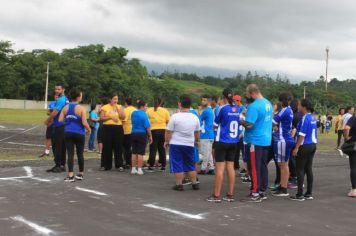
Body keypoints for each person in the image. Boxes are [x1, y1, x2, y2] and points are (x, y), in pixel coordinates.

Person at [240, 84, 273, 202]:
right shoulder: (268, 103)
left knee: (254, 167)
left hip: (255, 140)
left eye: (247, 94)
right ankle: (262, 190)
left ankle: (255, 192)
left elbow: (249, 124)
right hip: (265, 139)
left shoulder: (254, 106)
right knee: (263, 165)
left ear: (251, 93)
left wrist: (241, 121)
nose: (247, 96)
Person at [207, 89, 240, 203]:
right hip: (234, 142)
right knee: (230, 167)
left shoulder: (222, 108)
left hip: (222, 141)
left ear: (223, 97)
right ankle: (230, 194)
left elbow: (215, 125)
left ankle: (216, 195)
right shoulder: (238, 109)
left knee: (219, 168)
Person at [164, 95, 200, 191]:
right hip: (189, 143)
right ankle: (194, 183)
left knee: (177, 163)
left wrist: (166, 141)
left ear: (180, 104)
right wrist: (197, 141)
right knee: (190, 164)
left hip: (176, 143)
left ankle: (179, 184)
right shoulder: (195, 117)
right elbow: (197, 132)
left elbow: (168, 131)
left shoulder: (175, 116)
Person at [59, 88, 91, 182]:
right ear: (78, 97)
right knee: (80, 154)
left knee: (70, 153)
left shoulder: (65, 108)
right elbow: (84, 123)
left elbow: (60, 120)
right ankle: (81, 174)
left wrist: (69, 122)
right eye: (81, 95)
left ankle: (70, 175)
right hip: (79, 133)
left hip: (68, 132)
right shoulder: (81, 108)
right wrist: (89, 130)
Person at [290, 99, 318, 201]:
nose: (298, 107)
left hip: (304, 145)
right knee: (308, 168)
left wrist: (296, 147)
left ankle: (299, 194)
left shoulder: (304, 118)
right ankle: (309, 193)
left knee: (300, 169)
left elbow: (302, 135)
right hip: (312, 144)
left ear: (304, 107)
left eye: (300, 105)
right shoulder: (313, 118)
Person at [272, 92, 295, 197]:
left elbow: (273, 121)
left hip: (283, 139)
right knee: (283, 164)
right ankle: (282, 185)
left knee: (283, 164)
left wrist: (273, 113)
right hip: (285, 138)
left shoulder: (284, 110)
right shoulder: (289, 110)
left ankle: (284, 188)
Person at [45, 83, 69, 173]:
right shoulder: (66, 99)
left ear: (63, 89)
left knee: (57, 146)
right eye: (56, 89)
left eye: (59, 89)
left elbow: (55, 112)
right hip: (63, 125)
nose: (56, 91)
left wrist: (48, 120)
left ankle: (58, 165)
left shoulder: (61, 99)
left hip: (59, 126)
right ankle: (62, 165)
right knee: (62, 146)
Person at [99, 94, 126, 171]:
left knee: (118, 147)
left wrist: (118, 109)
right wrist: (110, 117)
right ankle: (105, 165)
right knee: (107, 147)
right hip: (107, 128)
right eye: (114, 99)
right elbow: (101, 118)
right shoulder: (105, 107)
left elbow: (123, 117)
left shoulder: (120, 107)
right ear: (110, 99)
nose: (116, 101)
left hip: (118, 128)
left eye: (117, 99)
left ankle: (119, 165)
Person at [147, 97, 170, 171]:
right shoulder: (165, 111)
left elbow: (147, 121)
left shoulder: (149, 110)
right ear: (161, 103)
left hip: (153, 131)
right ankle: (163, 166)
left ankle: (151, 166)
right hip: (163, 130)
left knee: (153, 149)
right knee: (162, 149)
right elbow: (168, 122)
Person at [130, 100, 152, 175]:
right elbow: (147, 126)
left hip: (133, 133)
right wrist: (150, 136)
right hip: (142, 134)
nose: (147, 107)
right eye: (146, 106)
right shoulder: (144, 114)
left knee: (134, 152)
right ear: (142, 106)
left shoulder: (133, 113)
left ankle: (133, 168)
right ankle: (139, 169)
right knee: (140, 153)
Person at [198, 95, 215, 175]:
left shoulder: (205, 111)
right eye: (202, 100)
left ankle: (203, 168)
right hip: (210, 134)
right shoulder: (210, 110)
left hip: (205, 134)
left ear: (208, 101)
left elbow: (199, 121)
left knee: (204, 152)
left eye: (204, 100)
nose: (202, 102)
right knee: (208, 152)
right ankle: (211, 168)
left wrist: (199, 112)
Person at [343, 115, 356, 197]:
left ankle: (354, 189)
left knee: (354, 167)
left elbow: (346, 128)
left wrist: (346, 138)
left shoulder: (354, 118)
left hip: (354, 144)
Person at [233, 95, 246, 172]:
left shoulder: (243, 108)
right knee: (236, 150)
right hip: (237, 133)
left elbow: (244, 120)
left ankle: (245, 168)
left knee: (243, 151)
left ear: (238, 101)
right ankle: (236, 165)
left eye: (234, 101)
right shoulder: (236, 108)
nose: (233, 103)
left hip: (242, 133)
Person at [122, 97, 136, 169]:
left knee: (126, 148)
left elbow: (124, 120)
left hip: (126, 131)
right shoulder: (135, 109)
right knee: (131, 147)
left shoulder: (126, 110)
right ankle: (131, 162)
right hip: (134, 130)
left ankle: (128, 163)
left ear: (126, 103)